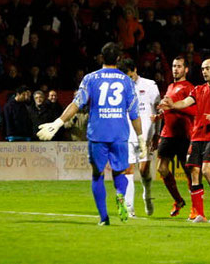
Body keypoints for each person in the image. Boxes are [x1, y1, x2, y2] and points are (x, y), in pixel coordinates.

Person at [36, 42, 147, 226]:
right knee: (120, 172)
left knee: (98, 175)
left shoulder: (90, 79)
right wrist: (141, 138)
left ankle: (104, 218)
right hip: (120, 134)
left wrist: (58, 123)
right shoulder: (127, 80)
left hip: (98, 134)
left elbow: (76, 103)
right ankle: (120, 195)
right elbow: (134, 113)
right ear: (118, 59)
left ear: (101, 58)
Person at [159, 59, 210, 223]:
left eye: (207, 68)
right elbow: (185, 102)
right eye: (202, 69)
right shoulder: (198, 89)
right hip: (197, 135)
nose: (204, 72)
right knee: (194, 172)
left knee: (207, 170)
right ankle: (199, 213)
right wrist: (173, 104)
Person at [117, 58, 160, 217]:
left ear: (135, 69)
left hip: (146, 135)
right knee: (128, 169)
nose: (127, 79)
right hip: (127, 135)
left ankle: (147, 195)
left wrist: (157, 133)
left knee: (144, 171)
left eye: (129, 75)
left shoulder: (150, 86)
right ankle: (129, 208)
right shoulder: (120, 89)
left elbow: (158, 111)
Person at [156, 56, 196, 218]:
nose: (175, 69)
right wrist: (160, 114)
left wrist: (175, 106)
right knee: (161, 168)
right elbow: (168, 109)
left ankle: (195, 208)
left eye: (179, 66)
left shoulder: (189, 88)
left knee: (189, 172)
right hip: (167, 134)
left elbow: (194, 111)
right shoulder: (171, 86)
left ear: (186, 69)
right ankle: (178, 200)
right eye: (173, 66)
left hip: (183, 135)